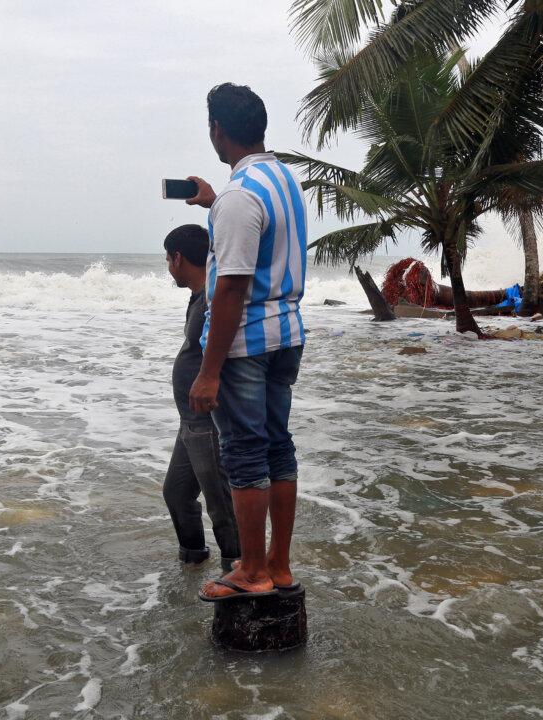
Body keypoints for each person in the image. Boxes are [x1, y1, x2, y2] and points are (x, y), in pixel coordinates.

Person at [185, 83, 307, 601]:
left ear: (218, 130)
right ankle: (277, 564)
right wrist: (214, 202)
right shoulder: (280, 179)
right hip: (287, 336)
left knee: (244, 454)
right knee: (278, 447)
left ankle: (251, 570)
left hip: (247, 345)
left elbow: (232, 286)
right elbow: (262, 239)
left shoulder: (240, 196)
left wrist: (208, 371)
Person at [162, 224, 241, 573]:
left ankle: (237, 568)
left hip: (206, 417)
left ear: (178, 258)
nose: (168, 266)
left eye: (168, 258)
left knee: (220, 501)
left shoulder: (212, 295)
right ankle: (193, 559)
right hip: (189, 420)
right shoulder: (201, 295)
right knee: (177, 493)